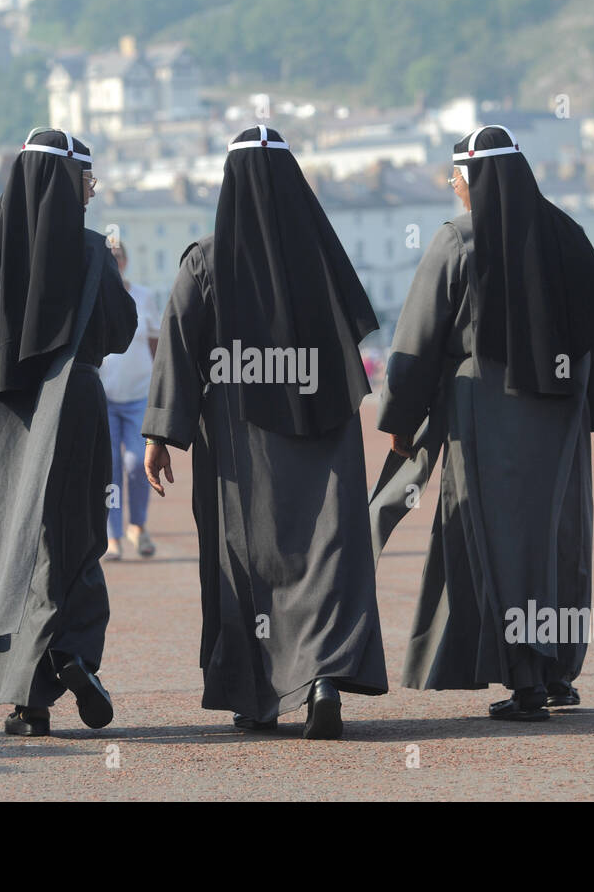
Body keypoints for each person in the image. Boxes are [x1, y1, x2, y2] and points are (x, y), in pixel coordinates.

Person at [369, 125, 594, 721]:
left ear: (477, 178)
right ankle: (556, 669)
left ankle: (524, 681)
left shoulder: (457, 241)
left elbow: (416, 341)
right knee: (557, 540)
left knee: (496, 544)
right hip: (564, 419)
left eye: (456, 176)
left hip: (484, 418)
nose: (451, 185)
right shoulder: (568, 235)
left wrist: (401, 418)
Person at [142, 125, 388, 740]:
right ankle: (324, 678)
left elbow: (177, 346)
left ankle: (255, 697)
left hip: (238, 444)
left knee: (247, 562)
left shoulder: (205, 259)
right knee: (327, 552)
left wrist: (160, 435)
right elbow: (354, 334)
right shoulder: (326, 257)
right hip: (326, 431)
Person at [0, 128, 136, 737]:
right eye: (88, 181)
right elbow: (119, 332)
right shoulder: (92, 249)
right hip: (71, 409)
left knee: (3, 548)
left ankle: (29, 705)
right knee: (73, 539)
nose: (92, 192)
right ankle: (70, 651)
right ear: (70, 181)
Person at [99, 240, 161, 560]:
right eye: (110, 256)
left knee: (137, 462)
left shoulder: (144, 297)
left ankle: (138, 525)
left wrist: (161, 391)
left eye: (120, 255)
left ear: (127, 260)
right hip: (104, 397)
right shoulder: (92, 295)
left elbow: (155, 346)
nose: (116, 260)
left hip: (139, 396)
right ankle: (113, 536)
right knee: (108, 468)